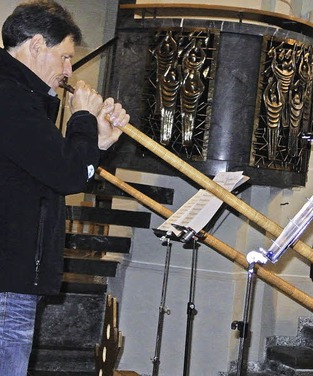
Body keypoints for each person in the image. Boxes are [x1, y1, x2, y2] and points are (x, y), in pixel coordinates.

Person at [0, 1, 128, 374]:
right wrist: (84, 118)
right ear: (37, 45)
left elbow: (55, 168)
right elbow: (67, 176)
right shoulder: (10, 96)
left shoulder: (23, 98)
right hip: (8, 278)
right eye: (66, 57)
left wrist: (98, 142)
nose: (69, 70)